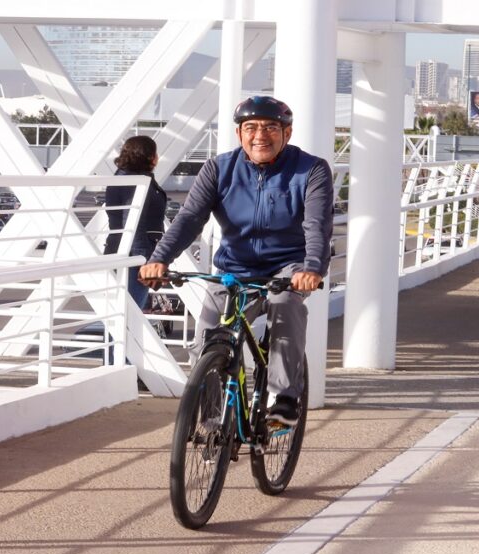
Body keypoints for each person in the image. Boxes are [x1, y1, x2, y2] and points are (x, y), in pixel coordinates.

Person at [139, 96, 334, 426]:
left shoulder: (311, 169)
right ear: (239, 133)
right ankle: (214, 421)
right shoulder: (218, 168)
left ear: (287, 133)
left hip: (288, 265)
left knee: (285, 304)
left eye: (271, 127)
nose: (261, 135)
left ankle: (283, 398)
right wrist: (158, 259)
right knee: (207, 338)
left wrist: (312, 268)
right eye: (251, 127)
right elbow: (189, 219)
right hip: (235, 267)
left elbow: (316, 224)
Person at [104, 135, 168, 310]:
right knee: (130, 313)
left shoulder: (129, 178)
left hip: (126, 251)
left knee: (125, 312)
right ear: (148, 156)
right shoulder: (133, 182)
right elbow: (133, 223)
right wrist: (144, 261)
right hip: (133, 255)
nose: (158, 157)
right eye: (155, 152)